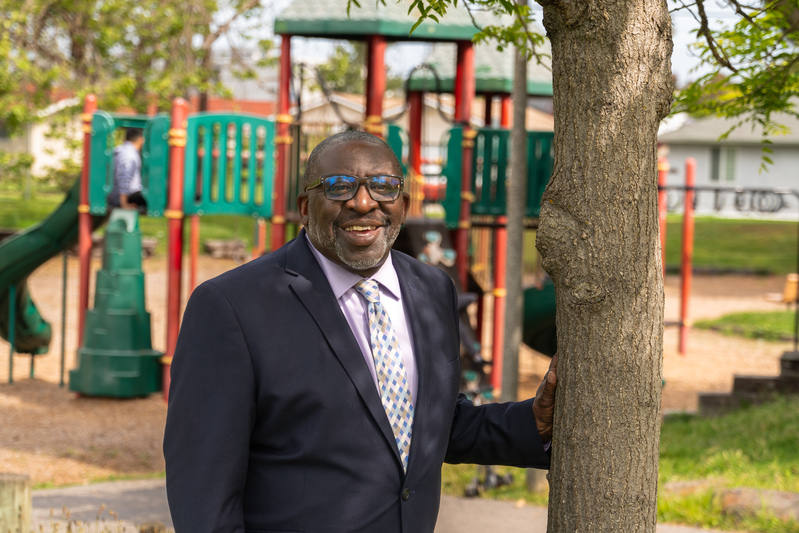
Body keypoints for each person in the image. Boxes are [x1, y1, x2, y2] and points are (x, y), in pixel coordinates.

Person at [163, 130, 558, 533]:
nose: (364, 202)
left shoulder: (432, 290)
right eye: (339, 187)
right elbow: (202, 490)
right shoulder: (232, 306)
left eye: (383, 186)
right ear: (305, 206)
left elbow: (427, 425)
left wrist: (532, 422)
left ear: (402, 204)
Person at [107, 127, 146, 210]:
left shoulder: (121, 150)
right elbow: (124, 179)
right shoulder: (129, 155)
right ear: (140, 140)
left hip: (120, 195)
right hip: (124, 197)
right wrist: (124, 204)